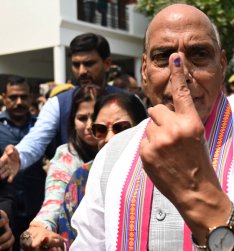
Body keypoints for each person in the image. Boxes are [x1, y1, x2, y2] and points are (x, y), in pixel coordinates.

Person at [70, 3, 234, 251]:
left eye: (199, 55)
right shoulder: (111, 156)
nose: (180, 75)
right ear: (145, 69)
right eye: (163, 57)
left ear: (222, 64)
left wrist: (199, 196)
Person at [0, 33, 123, 183]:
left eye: (89, 64)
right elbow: (36, 140)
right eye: (76, 65)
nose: (82, 71)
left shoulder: (128, 102)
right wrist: (19, 156)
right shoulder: (57, 104)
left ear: (107, 63)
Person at [58, 92, 147, 249]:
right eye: (100, 129)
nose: (109, 138)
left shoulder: (159, 172)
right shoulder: (82, 178)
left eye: (121, 128)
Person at [19, 85, 100, 251]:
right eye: (82, 118)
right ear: (72, 121)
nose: (89, 126)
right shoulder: (67, 156)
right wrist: (38, 229)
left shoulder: (131, 151)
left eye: (96, 118)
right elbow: (53, 200)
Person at [0, 76, 46, 251]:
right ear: (4, 97)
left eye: (23, 97)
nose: (19, 102)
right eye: (13, 97)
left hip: (36, 207)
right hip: (6, 210)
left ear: (31, 97)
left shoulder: (42, 128)